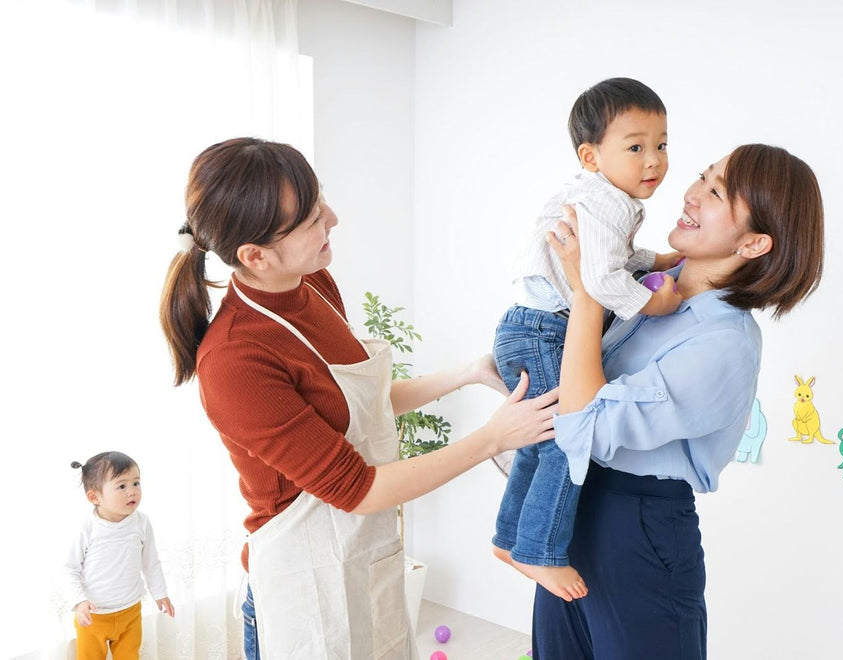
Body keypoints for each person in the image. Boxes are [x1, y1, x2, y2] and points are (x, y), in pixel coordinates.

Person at [159, 137, 557, 660]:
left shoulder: (313, 282)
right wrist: (492, 439)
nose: (333, 219)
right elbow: (359, 489)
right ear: (254, 255)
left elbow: (355, 412)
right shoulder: (235, 360)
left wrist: (466, 373)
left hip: (362, 559)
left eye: (321, 199)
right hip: (303, 585)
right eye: (310, 220)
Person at [535, 144, 825, 659]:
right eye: (701, 178)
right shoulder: (645, 294)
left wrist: (588, 291)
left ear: (756, 243)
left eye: (716, 193)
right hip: (572, 507)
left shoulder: (725, 341)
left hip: (638, 528)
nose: (690, 194)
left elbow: (583, 424)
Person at [492, 77, 683, 601]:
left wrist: (650, 260)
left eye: (662, 145)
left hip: (526, 327)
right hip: (544, 328)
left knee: (542, 438)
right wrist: (655, 300)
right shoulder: (606, 203)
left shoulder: (599, 196)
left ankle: (511, 538)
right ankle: (540, 551)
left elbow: (608, 259)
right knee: (569, 436)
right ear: (591, 155)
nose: (655, 161)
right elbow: (596, 280)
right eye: (637, 147)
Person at [64, 451, 175, 660]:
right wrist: (80, 601)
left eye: (136, 483)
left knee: (130, 656)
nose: (132, 492)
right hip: (94, 616)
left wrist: (160, 592)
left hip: (130, 611)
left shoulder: (141, 522)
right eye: (122, 486)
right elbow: (70, 568)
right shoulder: (87, 528)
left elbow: (150, 562)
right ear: (94, 496)